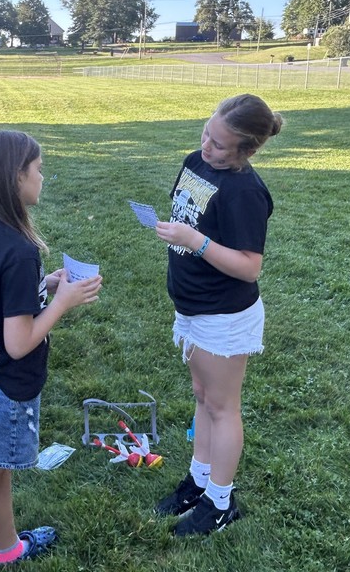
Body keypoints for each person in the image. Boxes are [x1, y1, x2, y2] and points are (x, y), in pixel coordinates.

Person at [0, 130, 102, 571]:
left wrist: (43, 285)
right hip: (7, 386)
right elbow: (19, 342)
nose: (43, 176)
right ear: (16, 178)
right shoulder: (18, 249)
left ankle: (9, 547)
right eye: (38, 169)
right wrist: (61, 303)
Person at [153, 94, 283, 536]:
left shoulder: (245, 191)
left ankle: (221, 504)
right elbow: (188, 213)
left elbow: (249, 265)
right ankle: (200, 480)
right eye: (207, 133)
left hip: (223, 314)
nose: (207, 146)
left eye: (221, 145)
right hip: (192, 305)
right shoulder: (196, 161)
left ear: (246, 151)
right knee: (203, 396)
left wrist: (196, 242)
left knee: (224, 407)